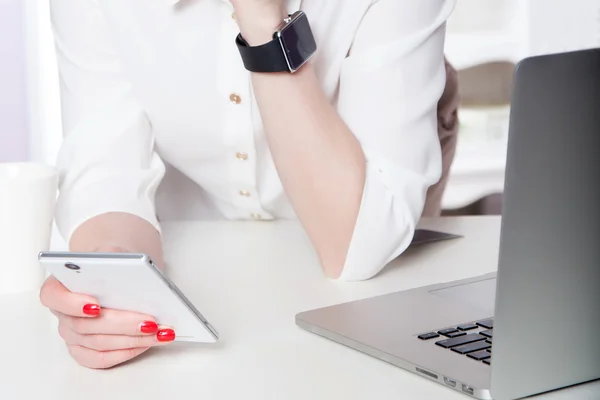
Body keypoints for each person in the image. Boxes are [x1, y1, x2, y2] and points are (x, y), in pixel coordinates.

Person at [40, 0, 458, 369]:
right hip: (203, 265)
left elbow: (358, 244)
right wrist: (113, 282)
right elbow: (107, 171)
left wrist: (263, 23)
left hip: (352, 266)